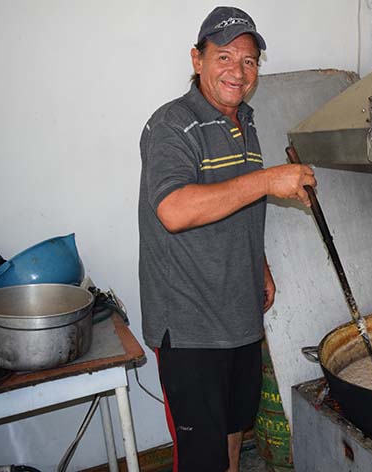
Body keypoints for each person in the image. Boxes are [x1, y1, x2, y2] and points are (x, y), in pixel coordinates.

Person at [137, 6, 315, 471]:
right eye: (224, 56)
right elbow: (174, 211)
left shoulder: (244, 120)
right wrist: (269, 180)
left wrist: (260, 265)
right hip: (192, 325)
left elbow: (233, 201)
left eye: (250, 61)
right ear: (197, 60)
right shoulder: (172, 125)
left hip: (239, 313)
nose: (238, 71)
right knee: (202, 458)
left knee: (236, 433)